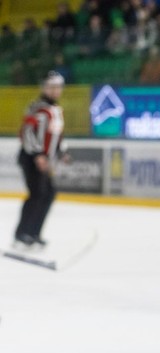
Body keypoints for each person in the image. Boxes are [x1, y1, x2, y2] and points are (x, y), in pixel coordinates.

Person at [13, 71, 68, 249]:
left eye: (58, 87)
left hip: (44, 159)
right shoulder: (37, 108)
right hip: (32, 158)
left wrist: (61, 152)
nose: (55, 91)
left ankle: (34, 233)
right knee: (37, 194)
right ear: (44, 88)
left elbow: (55, 135)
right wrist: (38, 154)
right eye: (51, 87)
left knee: (48, 193)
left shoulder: (55, 110)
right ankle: (22, 234)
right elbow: (28, 132)